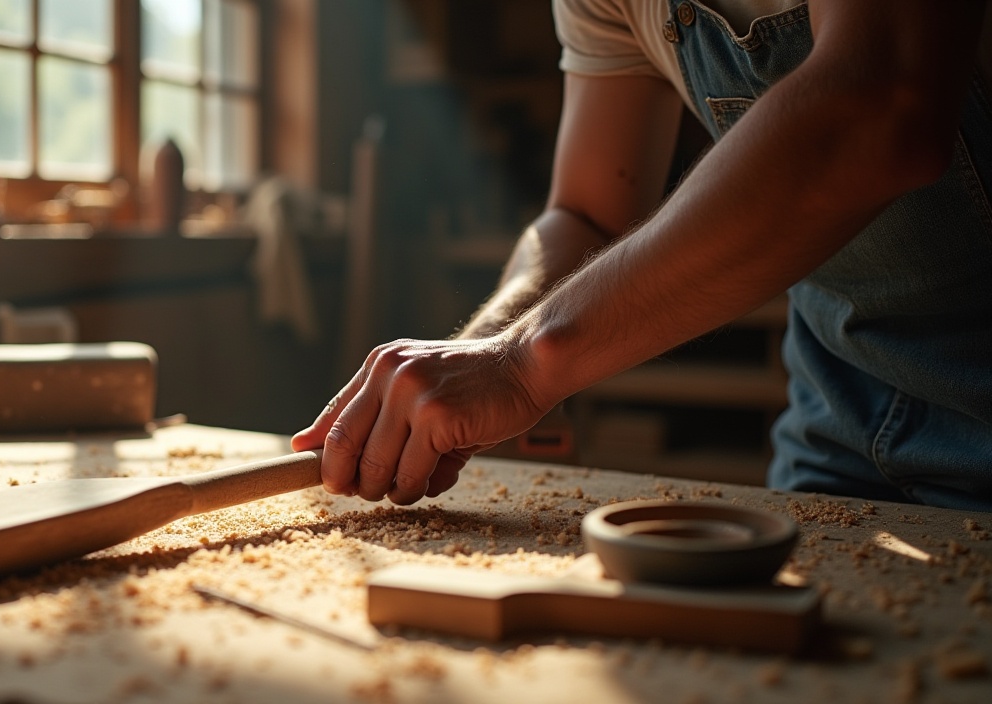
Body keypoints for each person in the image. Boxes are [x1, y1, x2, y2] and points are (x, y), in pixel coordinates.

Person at [292, 0, 992, 512]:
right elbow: (587, 215)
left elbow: (882, 107)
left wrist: (523, 366)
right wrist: (478, 358)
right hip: (840, 416)